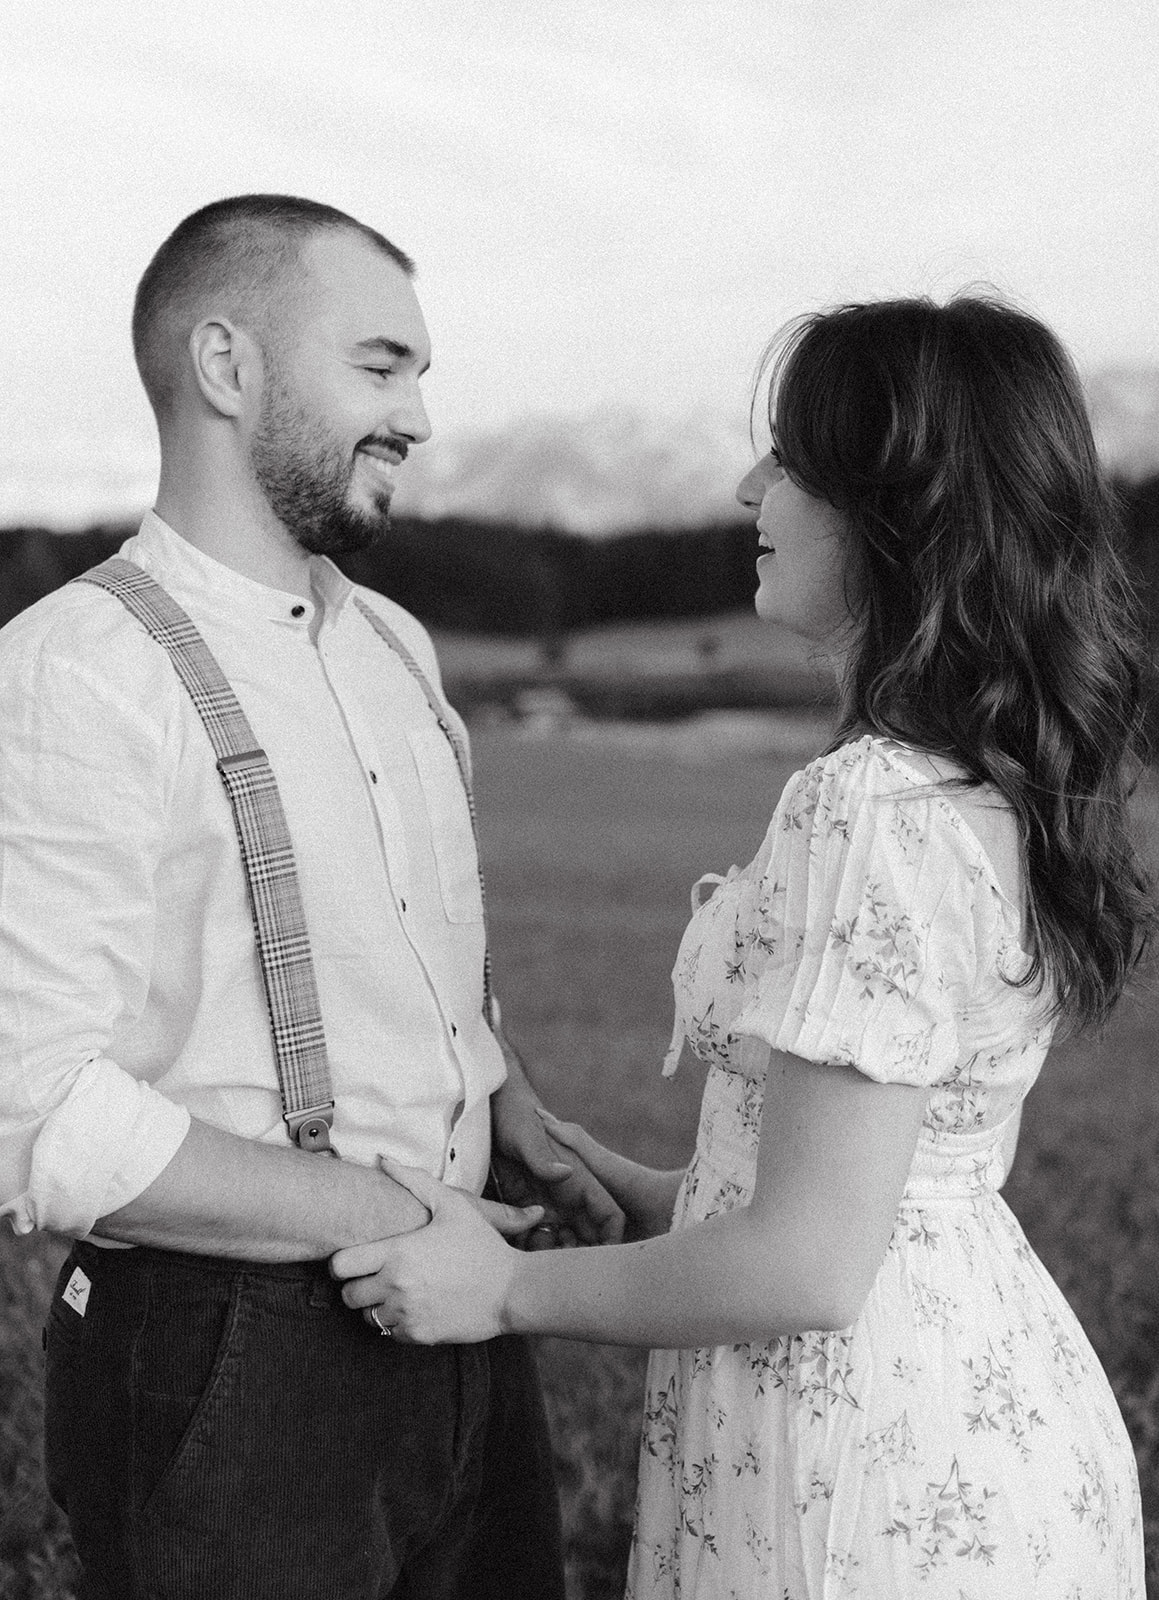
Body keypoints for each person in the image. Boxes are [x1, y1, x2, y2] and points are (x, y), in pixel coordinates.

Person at [331, 295, 1153, 1597]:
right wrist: (643, 1192)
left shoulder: (869, 804)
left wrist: (499, 1292)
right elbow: (875, 1188)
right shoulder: (985, 783)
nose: (749, 487)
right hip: (971, 1415)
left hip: (860, 1474)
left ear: (898, 513)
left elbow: (808, 1263)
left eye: (792, 460)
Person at [0, 193, 623, 1599]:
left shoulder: (395, 644)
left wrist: (506, 1102)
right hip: (230, 1356)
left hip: (462, 1315)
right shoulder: (76, 672)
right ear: (228, 366)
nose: (418, 417)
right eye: (380, 366)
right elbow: (31, 1108)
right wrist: (382, 1212)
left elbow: (398, 948)